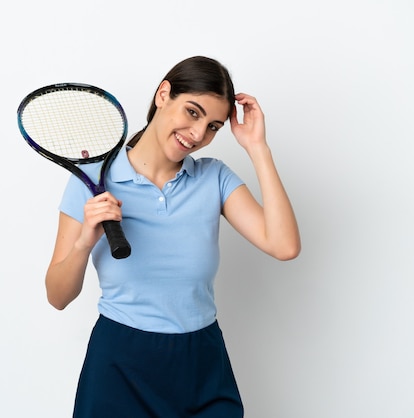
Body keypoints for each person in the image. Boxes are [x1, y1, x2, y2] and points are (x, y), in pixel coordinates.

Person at [45, 56, 301, 417]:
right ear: (163, 94)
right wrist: (85, 241)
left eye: (213, 126)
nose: (198, 135)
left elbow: (284, 245)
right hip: (120, 363)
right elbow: (57, 296)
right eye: (193, 113)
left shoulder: (215, 178)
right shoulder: (93, 179)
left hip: (201, 361)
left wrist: (258, 148)